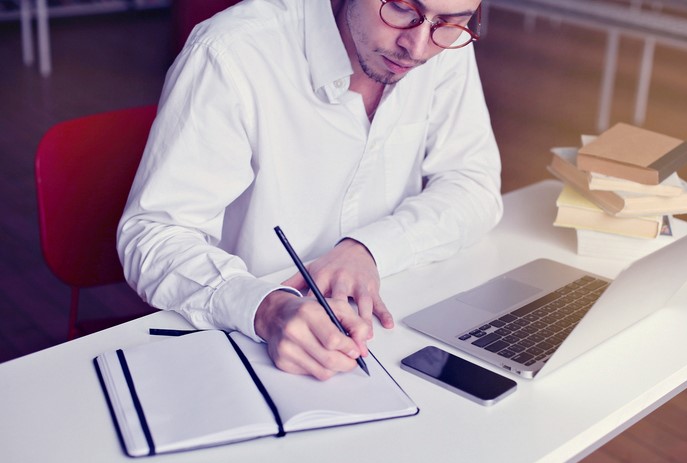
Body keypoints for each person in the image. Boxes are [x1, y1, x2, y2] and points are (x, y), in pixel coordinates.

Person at [117, 0, 503, 380]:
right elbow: (152, 234)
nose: (417, 48)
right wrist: (265, 308)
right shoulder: (232, 52)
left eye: (452, 21)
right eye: (402, 8)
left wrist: (367, 249)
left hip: (388, 327)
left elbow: (473, 182)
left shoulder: (445, 44)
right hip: (244, 345)